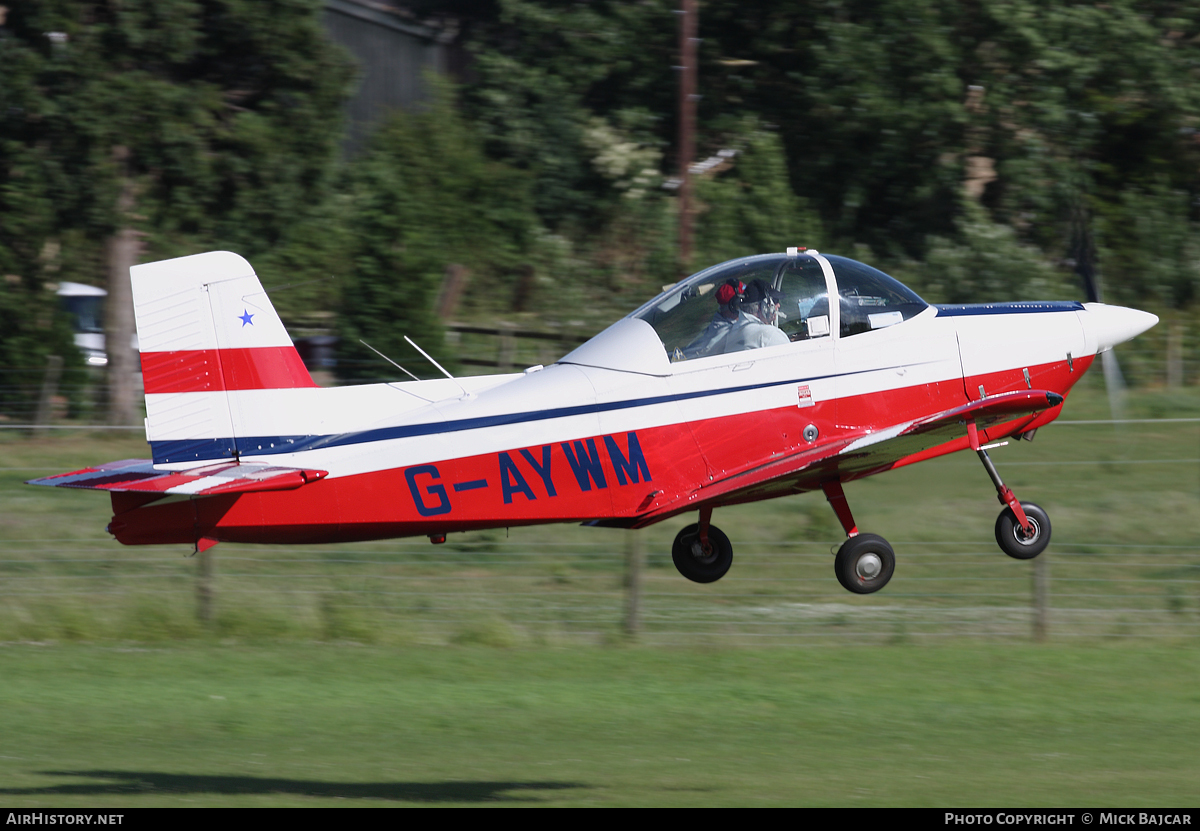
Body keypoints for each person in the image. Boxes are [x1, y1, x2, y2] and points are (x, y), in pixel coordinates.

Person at [680, 279, 755, 358]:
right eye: (743, 302)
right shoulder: (726, 333)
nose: (748, 305)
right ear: (735, 305)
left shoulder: (722, 324)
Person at [722, 278, 790, 353]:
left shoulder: (731, 334)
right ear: (765, 306)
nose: (778, 305)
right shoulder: (770, 335)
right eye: (775, 301)